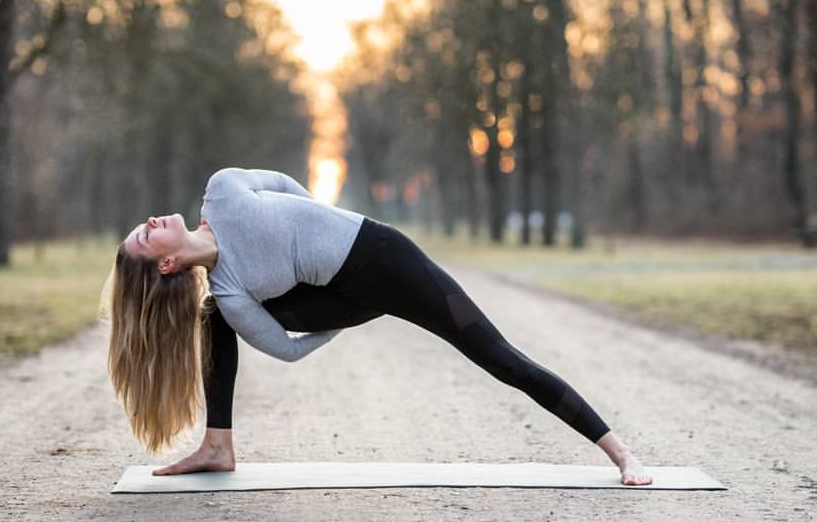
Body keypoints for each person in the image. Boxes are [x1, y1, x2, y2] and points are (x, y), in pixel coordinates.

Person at [106, 167, 652, 485]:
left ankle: (620, 452)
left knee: (500, 357)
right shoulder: (232, 293)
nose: (150, 222)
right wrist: (350, 317)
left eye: (143, 225)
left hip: (389, 258)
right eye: (144, 237)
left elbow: (282, 185)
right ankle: (217, 446)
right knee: (214, 317)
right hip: (344, 298)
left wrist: (320, 224)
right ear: (168, 265)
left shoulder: (222, 190)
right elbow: (289, 351)